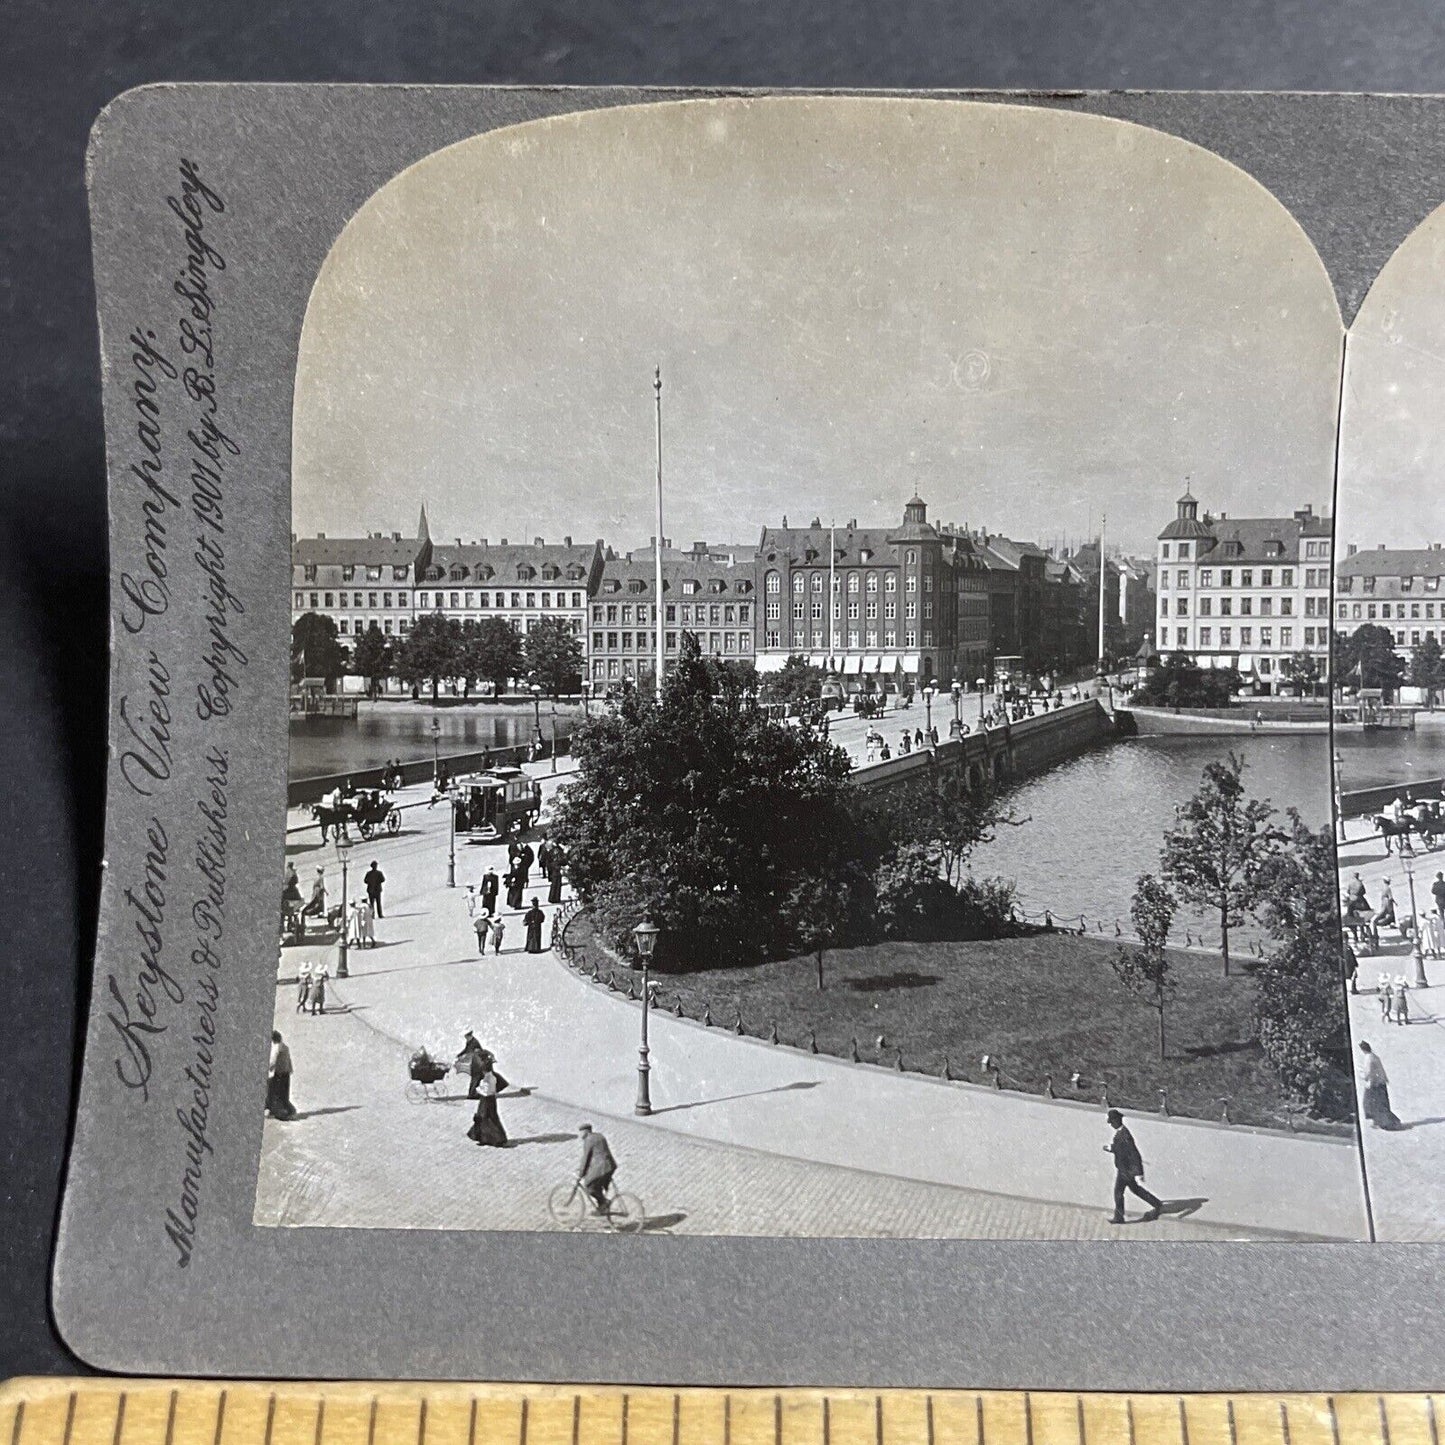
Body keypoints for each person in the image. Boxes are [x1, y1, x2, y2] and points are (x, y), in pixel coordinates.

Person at [1104, 1108, 1163, 1224]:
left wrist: (1140, 1172)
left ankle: (1119, 1217)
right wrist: (1111, 1148)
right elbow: (1122, 1150)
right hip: (1125, 1169)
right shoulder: (1121, 1133)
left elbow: (1134, 1154)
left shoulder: (1125, 1136)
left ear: (1117, 1121)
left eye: (1112, 1122)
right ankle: (1156, 1203)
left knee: (1118, 1192)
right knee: (1135, 1189)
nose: (1111, 1125)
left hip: (1125, 1171)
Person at [1358, 1041, 1404, 1129]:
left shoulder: (1368, 1058)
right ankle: (1380, 1121)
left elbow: (1368, 1073)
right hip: (1380, 1082)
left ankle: (1387, 1122)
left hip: (1374, 1084)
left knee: (1373, 1104)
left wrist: (1362, 1075)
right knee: (1380, 1103)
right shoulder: (1374, 1056)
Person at [466, 1058, 510, 1147]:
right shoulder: (492, 1076)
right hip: (490, 1099)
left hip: (486, 1100)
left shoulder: (488, 1079)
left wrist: (478, 1089)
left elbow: (485, 1091)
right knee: (488, 1118)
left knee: (486, 1118)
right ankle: (485, 1138)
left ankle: (496, 1139)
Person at [576, 1123, 618, 1214]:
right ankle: (602, 1208)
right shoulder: (599, 1136)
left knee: (589, 1186)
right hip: (610, 1165)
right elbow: (599, 1153)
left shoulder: (588, 1140)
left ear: (585, 1132)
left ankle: (604, 1202)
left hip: (602, 1167)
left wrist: (581, 1173)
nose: (580, 1135)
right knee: (597, 1185)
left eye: (581, 1133)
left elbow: (586, 1158)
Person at [266, 1031, 296, 1120]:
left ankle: (281, 1112)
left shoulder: (276, 1047)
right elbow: (288, 1060)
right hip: (286, 1073)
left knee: (276, 1094)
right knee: (283, 1094)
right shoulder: (285, 1046)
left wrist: (269, 1068)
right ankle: (287, 1110)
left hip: (279, 1074)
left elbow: (272, 1061)